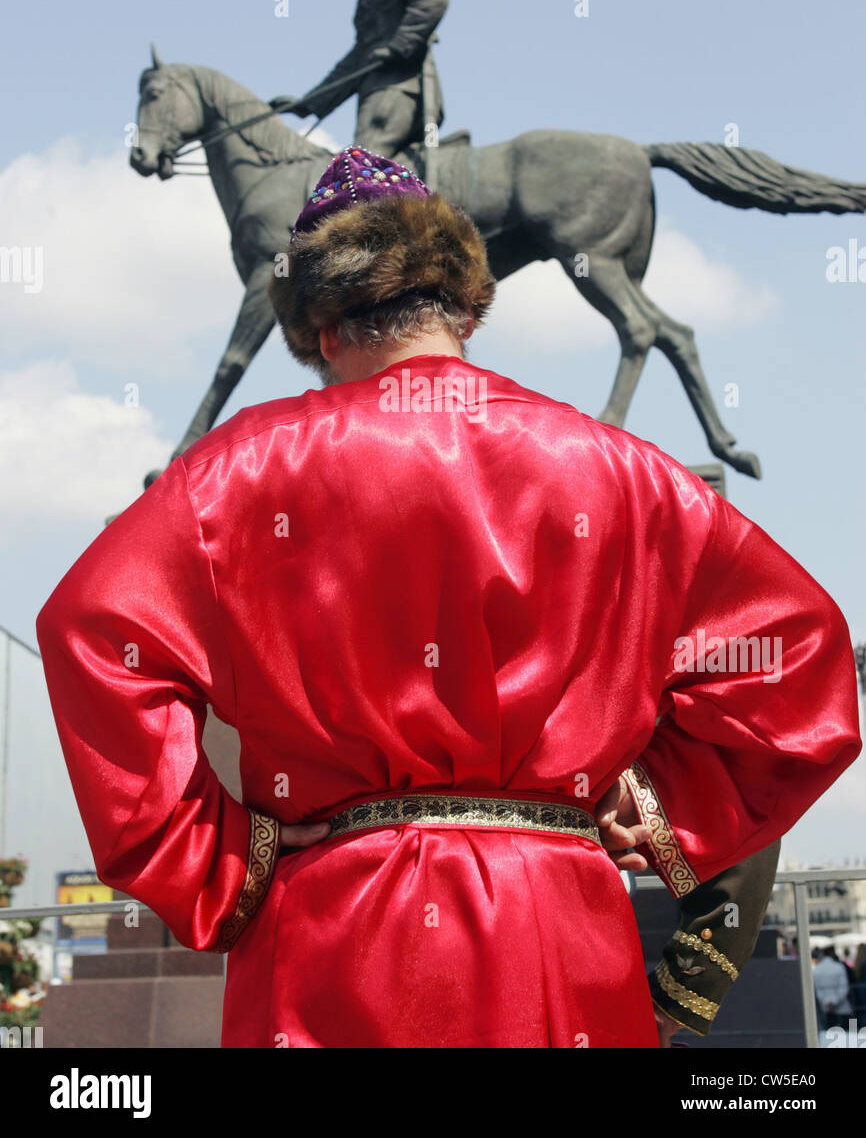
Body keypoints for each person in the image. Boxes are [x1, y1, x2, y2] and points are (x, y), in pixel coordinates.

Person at [36, 148, 861, 1048]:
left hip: (332, 930)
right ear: (468, 310)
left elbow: (90, 631)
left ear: (322, 327)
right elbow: (799, 651)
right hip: (559, 926)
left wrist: (224, 854)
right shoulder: (621, 471)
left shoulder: (236, 470)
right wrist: (659, 804)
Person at [270, 0, 448, 156]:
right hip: (384, 88)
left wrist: (399, 45)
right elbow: (361, 55)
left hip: (396, 88)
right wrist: (310, 103)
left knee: (360, 169)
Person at [813, 947, 853, 1031]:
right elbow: (844, 987)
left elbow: (818, 990)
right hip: (841, 1009)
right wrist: (835, 1001)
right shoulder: (839, 967)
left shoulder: (816, 969)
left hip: (825, 1008)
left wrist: (826, 1002)